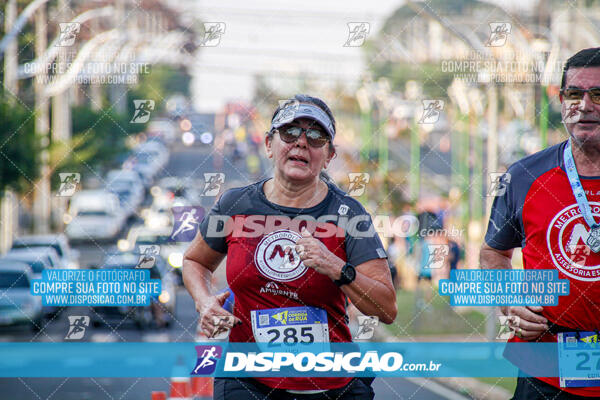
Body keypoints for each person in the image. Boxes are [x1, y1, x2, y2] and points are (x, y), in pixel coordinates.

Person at [183, 94, 397, 400]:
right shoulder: (235, 205)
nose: (301, 143)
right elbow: (194, 261)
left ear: (329, 154)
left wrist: (335, 267)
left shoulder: (349, 215)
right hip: (248, 380)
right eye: (290, 132)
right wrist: (204, 302)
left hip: (331, 384)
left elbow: (386, 308)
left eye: (316, 136)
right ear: (269, 144)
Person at [480, 48, 600, 399]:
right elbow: (492, 254)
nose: (585, 105)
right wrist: (509, 300)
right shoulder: (523, 175)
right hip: (543, 368)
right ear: (561, 101)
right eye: (575, 94)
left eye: (599, 95)